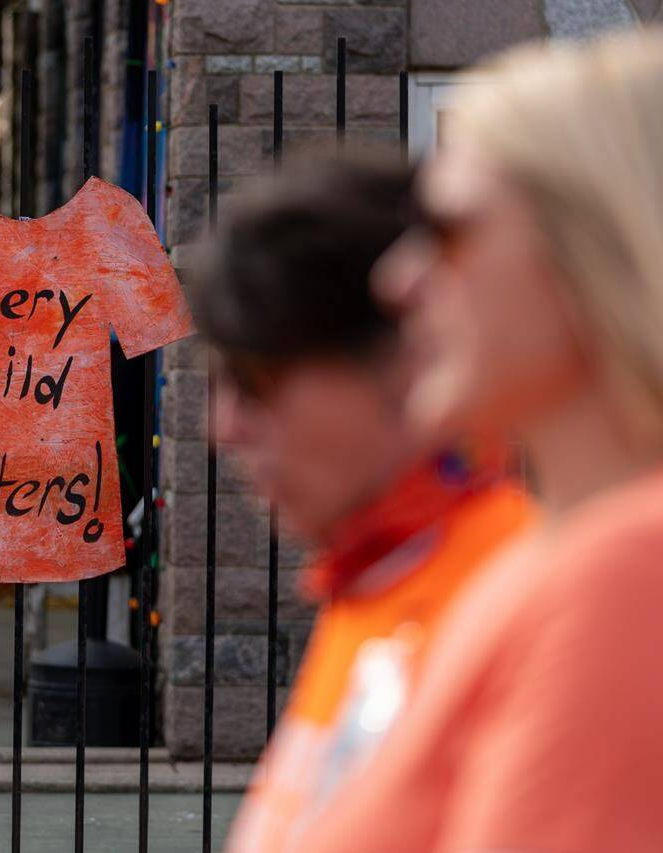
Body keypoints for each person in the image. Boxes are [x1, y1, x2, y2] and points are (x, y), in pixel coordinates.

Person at [293, 31, 663, 851]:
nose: (400, 277)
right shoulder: (546, 561)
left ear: (604, 247)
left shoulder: (625, 571)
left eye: (452, 231)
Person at [198, 158, 536, 852]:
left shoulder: (511, 595)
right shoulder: (378, 573)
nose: (224, 425)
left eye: (256, 379)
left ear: (404, 358)